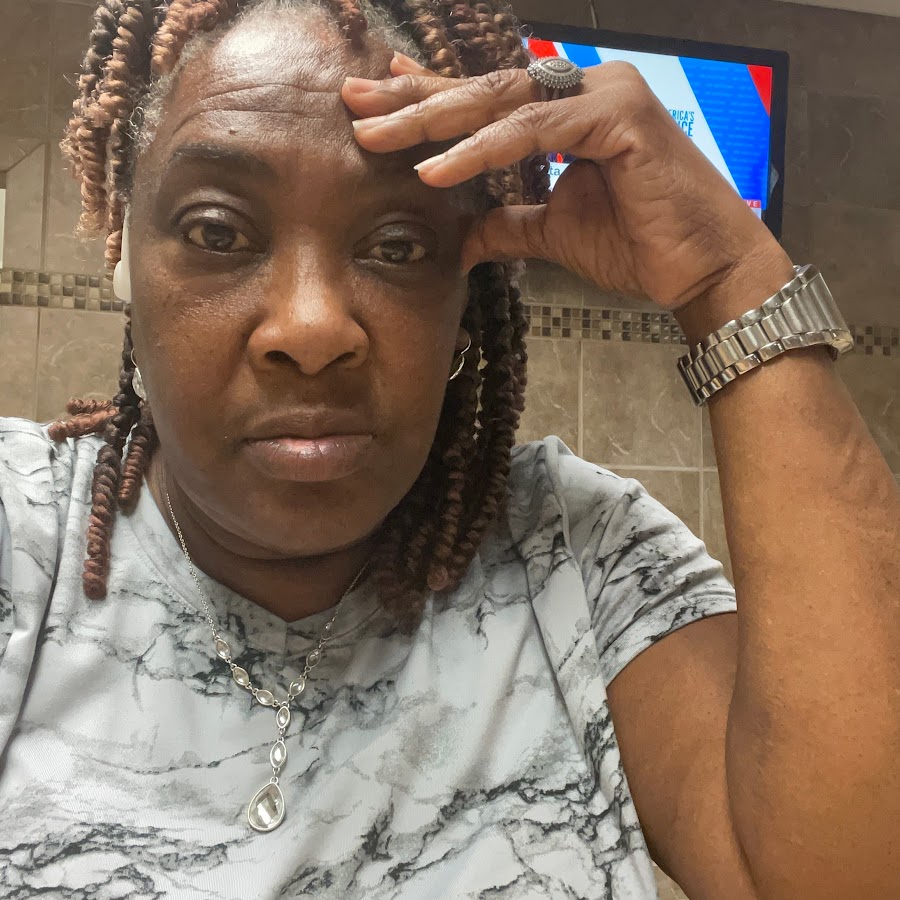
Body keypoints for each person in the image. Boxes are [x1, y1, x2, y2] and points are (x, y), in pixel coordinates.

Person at [0, 0, 897, 897]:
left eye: (397, 245)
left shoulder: (577, 559)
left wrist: (730, 276)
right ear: (125, 257)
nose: (312, 329)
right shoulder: (21, 528)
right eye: (217, 232)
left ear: (464, 302)